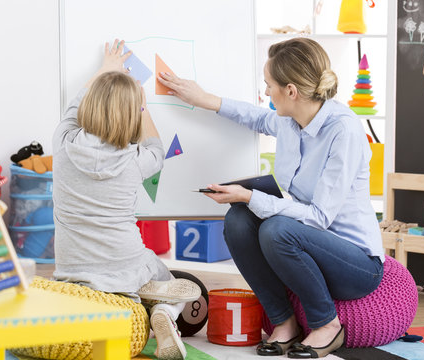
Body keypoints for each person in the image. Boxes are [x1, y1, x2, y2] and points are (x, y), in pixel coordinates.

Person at [158, 37, 384, 359]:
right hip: (311, 248)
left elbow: (319, 217)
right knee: (238, 219)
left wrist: (251, 196)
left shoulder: (343, 131)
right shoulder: (290, 121)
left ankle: (328, 325)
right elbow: (254, 116)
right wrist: (203, 98)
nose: (266, 93)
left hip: (356, 265)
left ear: (291, 91)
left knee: (276, 229)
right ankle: (284, 321)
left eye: (269, 85)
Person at [52, 39, 200, 360]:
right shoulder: (135, 159)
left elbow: (73, 109)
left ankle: (137, 301)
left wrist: (105, 69)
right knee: (172, 284)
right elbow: (157, 150)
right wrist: (142, 105)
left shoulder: (63, 145)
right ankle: (163, 312)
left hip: (73, 266)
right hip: (126, 260)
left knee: (105, 298)